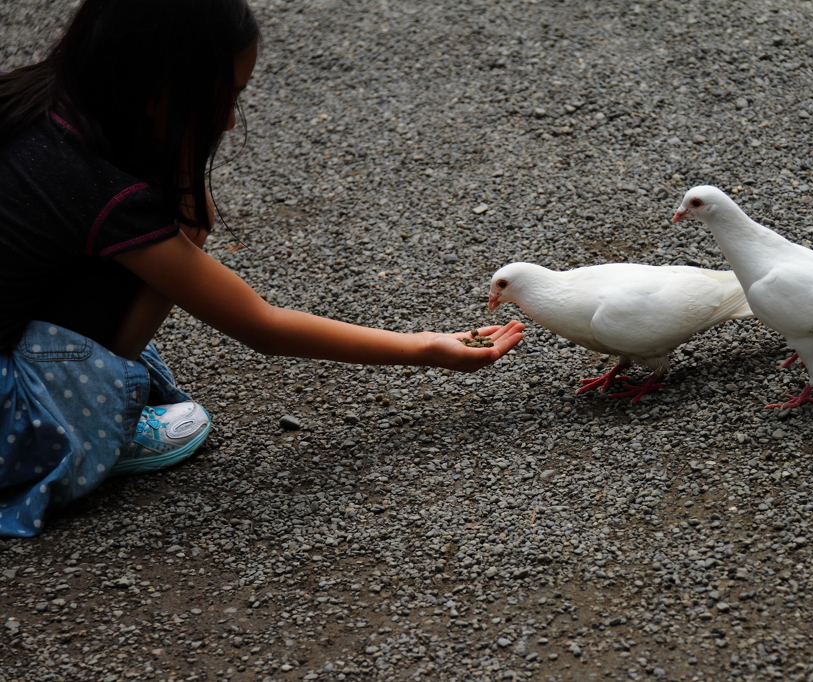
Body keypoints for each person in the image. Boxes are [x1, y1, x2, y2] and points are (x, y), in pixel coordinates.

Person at [0, 0, 524, 537]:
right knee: (175, 230)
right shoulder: (102, 193)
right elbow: (261, 326)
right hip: (7, 421)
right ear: (159, 89)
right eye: (224, 98)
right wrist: (424, 346)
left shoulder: (34, 100)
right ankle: (84, 430)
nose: (228, 119)